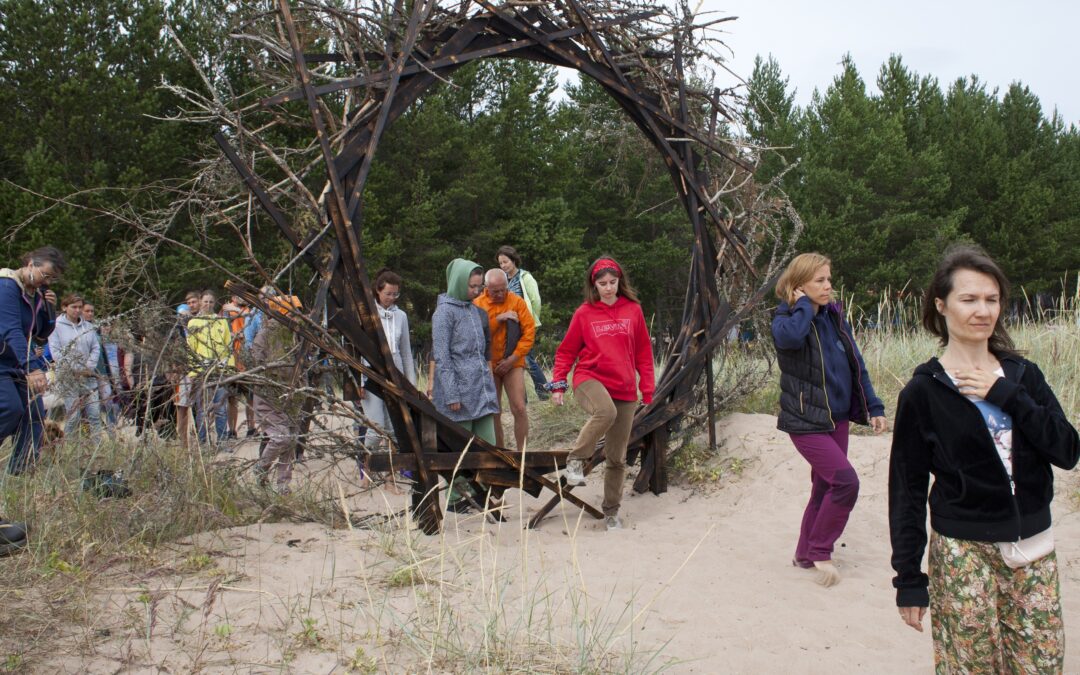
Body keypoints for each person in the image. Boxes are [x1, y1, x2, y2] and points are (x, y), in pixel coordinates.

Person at [889, 245, 1079, 671]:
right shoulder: (923, 391)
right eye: (969, 299)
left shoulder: (1023, 376)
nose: (983, 310)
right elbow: (907, 491)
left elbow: (1067, 450)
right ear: (941, 305)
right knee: (971, 667)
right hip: (963, 553)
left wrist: (1008, 397)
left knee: (1042, 664)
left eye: (992, 299)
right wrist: (909, 579)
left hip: (1034, 549)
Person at [771, 253, 886, 585]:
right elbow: (791, 339)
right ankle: (821, 550)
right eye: (819, 280)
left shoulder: (834, 318)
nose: (828, 286)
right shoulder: (785, 319)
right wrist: (802, 306)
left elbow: (856, 363)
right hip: (805, 421)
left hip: (838, 419)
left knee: (824, 486)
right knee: (846, 482)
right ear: (799, 285)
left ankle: (805, 555)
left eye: (829, 279)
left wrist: (874, 406)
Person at [550, 256, 655, 531]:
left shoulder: (633, 310)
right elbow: (566, 351)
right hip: (590, 378)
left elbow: (644, 353)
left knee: (617, 458)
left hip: (624, 387)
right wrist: (558, 384)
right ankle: (575, 460)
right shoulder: (584, 313)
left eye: (612, 282)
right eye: (602, 283)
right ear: (593, 285)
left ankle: (611, 512)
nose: (608, 288)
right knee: (605, 412)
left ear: (620, 282)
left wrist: (647, 389)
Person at [431, 259, 499, 512]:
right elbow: (442, 357)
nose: (477, 291)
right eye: (472, 286)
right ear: (459, 283)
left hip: (480, 388)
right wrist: (451, 394)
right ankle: (456, 499)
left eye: (479, 286)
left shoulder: (474, 310)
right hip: (458, 391)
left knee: (487, 444)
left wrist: (488, 383)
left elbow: (482, 352)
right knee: (460, 449)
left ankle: (483, 493)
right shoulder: (443, 313)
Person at [0, 246, 62, 474]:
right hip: (4, 362)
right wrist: (32, 368)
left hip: (14, 362)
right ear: (30, 264)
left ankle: (21, 470)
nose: (47, 282)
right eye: (45, 275)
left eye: (52, 279)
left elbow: (40, 334)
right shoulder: (6, 286)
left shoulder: (34, 294)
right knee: (10, 408)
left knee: (35, 413)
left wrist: (49, 310)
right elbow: (11, 330)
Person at [357, 270, 416, 465]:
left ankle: (394, 469)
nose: (391, 298)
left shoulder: (401, 316)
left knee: (395, 428)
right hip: (370, 376)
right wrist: (359, 381)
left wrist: (411, 384)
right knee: (376, 428)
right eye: (388, 293)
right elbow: (356, 350)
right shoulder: (366, 313)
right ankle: (364, 465)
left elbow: (406, 352)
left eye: (395, 294)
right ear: (378, 290)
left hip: (396, 376)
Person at [474, 268, 534, 451]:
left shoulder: (517, 302)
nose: (500, 294)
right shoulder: (477, 304)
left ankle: (522, 454)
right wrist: (498, 319)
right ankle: (500, 454)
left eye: (503, 290)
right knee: (494, 412)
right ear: (486, 287)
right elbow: (476, 335)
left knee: (519, 408)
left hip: (513, 362)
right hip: (488, 364)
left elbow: (529, 333)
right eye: (495, 291)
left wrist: (513, 359)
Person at [250, 295, 305, 494]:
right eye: (292, 312)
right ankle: (261, 468)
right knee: (281, 437)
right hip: (269, 395)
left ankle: (283, 485)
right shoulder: (265, 334)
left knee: (291, 441)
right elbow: (257, 363)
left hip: (291, 395)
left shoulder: (296, 334)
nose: (296, 317)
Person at [48, 293, 103, 443]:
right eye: (74, 307)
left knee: (94, 414)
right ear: (64, 307)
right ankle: (69, 446)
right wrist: (74, 369)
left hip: (88, 375)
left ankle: (97, 446)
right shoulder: (55, 327)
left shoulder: (89, 327)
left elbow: (95, 348)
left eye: (80, 307)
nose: (77, 310)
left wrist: (89, 367)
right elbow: (56, 352)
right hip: (68, 377)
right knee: (73, 416)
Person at [496, 245, 549, 399]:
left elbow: (536, 300)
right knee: (515, 363)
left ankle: (544, 393)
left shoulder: (525, 277)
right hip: (507, 328)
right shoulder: (502, 280)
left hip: (524, 325)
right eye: (500, 263)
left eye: (505, 262)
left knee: (527, 360)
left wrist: (531, 321)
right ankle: (521, 398)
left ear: (513, 260)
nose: (503, 265)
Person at [186, 290, 234, 448]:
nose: (208, 304)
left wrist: (228, 369)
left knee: (221, 408)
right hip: (201, 371)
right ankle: (202, 443)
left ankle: (222, 441)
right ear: (200, 301)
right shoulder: (194, 323)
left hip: (219, 371)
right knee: (202, 409)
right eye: (205, 301)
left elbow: (228, 346)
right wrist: (193, 371)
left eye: (211, 302)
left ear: (215, 303)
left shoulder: (221, 322)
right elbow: (191, 349)